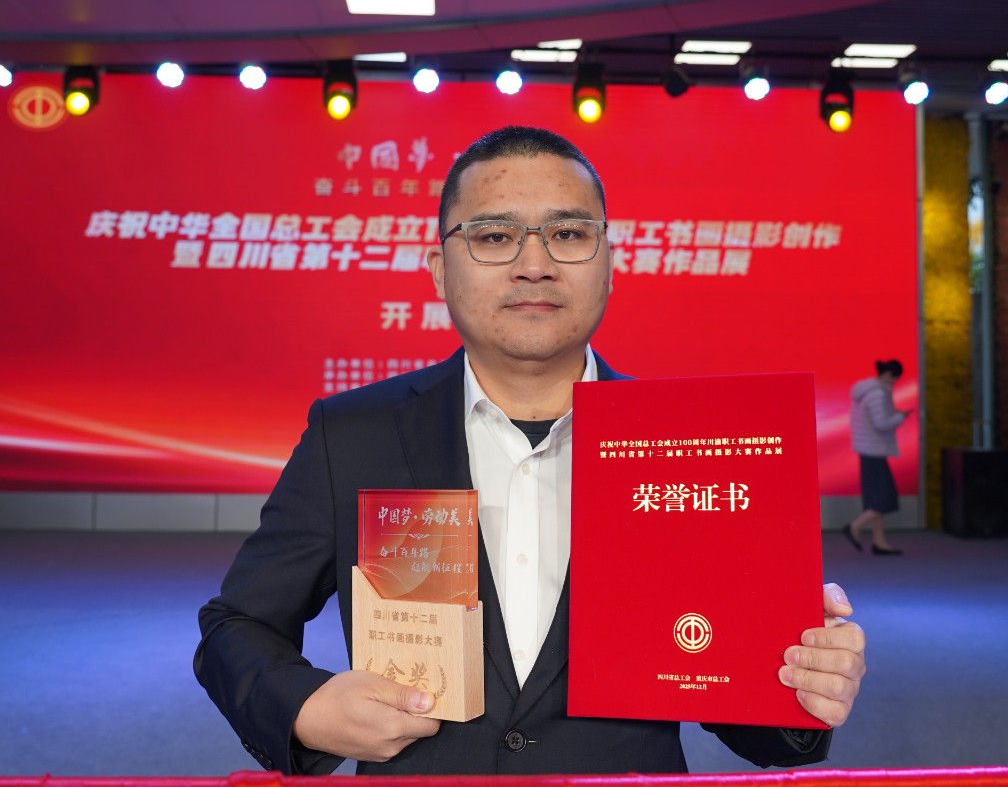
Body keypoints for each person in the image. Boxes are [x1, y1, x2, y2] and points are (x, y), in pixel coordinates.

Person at [194, 126, 867, 776]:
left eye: (569, 234)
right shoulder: (352, 435)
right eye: (494, 237)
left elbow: (745, 702)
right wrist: (304, 709)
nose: (535, 265)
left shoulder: (691, 449)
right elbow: (238, 623)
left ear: (609, 262)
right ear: (440, 270)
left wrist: (806, 683)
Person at [843, 359, 910, 555]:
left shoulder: (865, 391)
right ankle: (855, 527)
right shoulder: (877, 394)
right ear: (888, 375)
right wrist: (900, 417)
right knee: (884, 498)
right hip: (874, 450)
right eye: (895, 379)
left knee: (875, 499)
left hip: (868, 450)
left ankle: (879, 542)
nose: (894, 383)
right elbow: (881, 424)